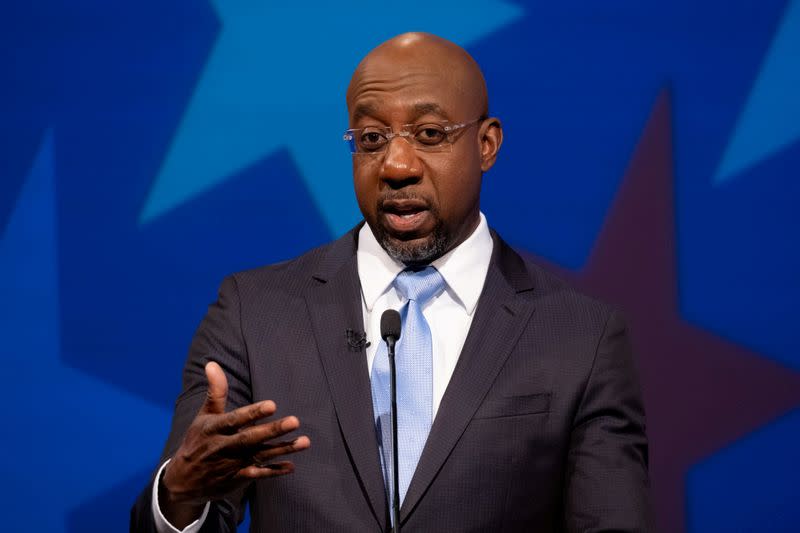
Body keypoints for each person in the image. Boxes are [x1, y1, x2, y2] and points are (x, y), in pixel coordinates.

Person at [131, 32, 651, 532]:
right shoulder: (252, 314)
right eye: (373, 139)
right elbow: (189, 512)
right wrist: (178, 495)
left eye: (429, 135)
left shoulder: (582, 336)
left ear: (487, 144)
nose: (396, 166)